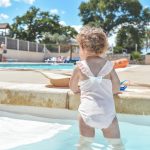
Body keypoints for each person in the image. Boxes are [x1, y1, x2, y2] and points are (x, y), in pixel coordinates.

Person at [69, 26, 125, 150]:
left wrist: (76, 90)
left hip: (86, 114)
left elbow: (72, 86)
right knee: (116, 145)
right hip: (108, 115)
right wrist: (113, 92)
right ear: (103, 47)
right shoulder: (109, 66)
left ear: (82, 47)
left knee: (85, 144)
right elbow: (116, 87)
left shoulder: (79, 67)